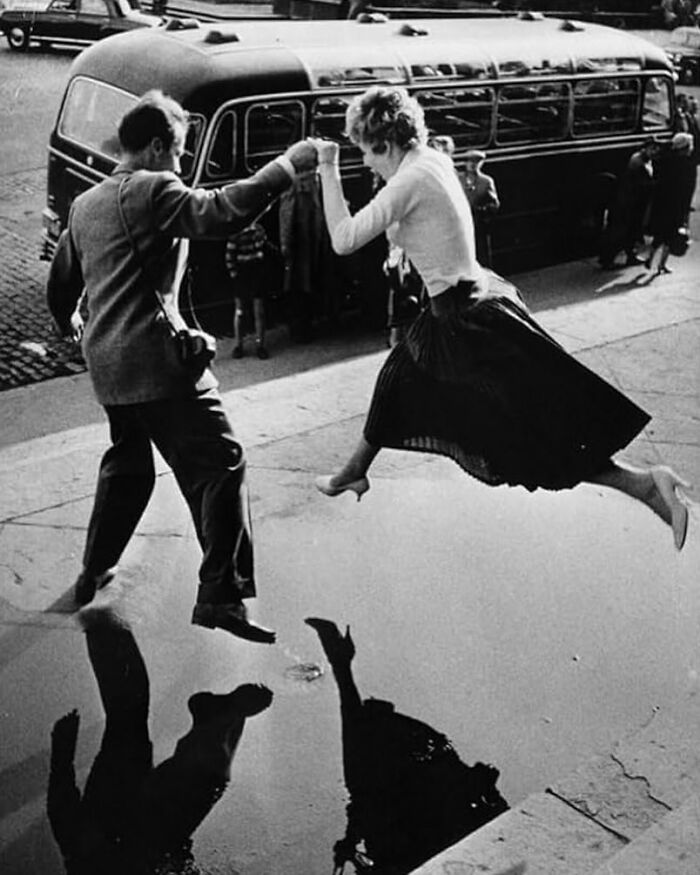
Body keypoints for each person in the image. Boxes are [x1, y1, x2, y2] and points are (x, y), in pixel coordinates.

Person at [312, 85, 690, 551]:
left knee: (523, 443)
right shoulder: (429, 160)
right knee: (395, 380)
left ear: (385, 145)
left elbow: (344, 238)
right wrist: (401, 246)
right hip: (469, 300)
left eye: (365, 153)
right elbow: (428, 222)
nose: (365, 163)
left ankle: (645, 484)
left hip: (463, 321)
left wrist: (327, 167)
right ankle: (353, 473)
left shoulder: (407, 181)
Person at [46, 90, 317, 643]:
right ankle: (221, 597)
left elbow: (63, 282)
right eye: (179, 151)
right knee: (222, 463)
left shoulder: (86, 204)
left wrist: (70, 322)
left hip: (111, 367)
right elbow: (221, 212)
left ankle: (94, 570)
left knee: (128, 468)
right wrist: (287, 165)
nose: (182, 165)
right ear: (155, 146)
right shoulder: (154, 188)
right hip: (159, 368)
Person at [598, 137, 658, 270]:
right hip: (628, 203)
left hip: (633, 202)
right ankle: (607, 259)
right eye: (652, 148)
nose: (655, 151)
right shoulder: (638, 162)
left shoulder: (643, 159)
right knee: (620, 232)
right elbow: (639, 183)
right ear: (646, 148)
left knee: (631, 231)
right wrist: (654, 185)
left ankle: (629, 255)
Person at [646, 132, 696, 276]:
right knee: (671, 236)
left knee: (659, 233)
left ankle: (650, 257)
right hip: (677, 206)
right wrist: (686, 211)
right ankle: (662, 265)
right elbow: (688, 189)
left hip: (662, 202)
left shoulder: (666, 159)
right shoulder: (687, 165)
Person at [225, 222, 276, 360]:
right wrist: (235, 275)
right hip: (242, 273)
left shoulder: (259, 229)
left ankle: (260, 345)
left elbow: (262, 248)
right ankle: (238, 345)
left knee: (259, 311)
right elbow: (229, 257)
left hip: (257, 273)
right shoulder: (235, 232)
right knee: (240, 311)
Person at [459, 148, 500, 267]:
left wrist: (481, 211)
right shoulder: (458, 179)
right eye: (469, 161)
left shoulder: (486, 181)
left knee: (481, 256)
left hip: (478, 224)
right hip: (461, 223)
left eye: (476, 162)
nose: (472, 165)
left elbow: (494, 205)